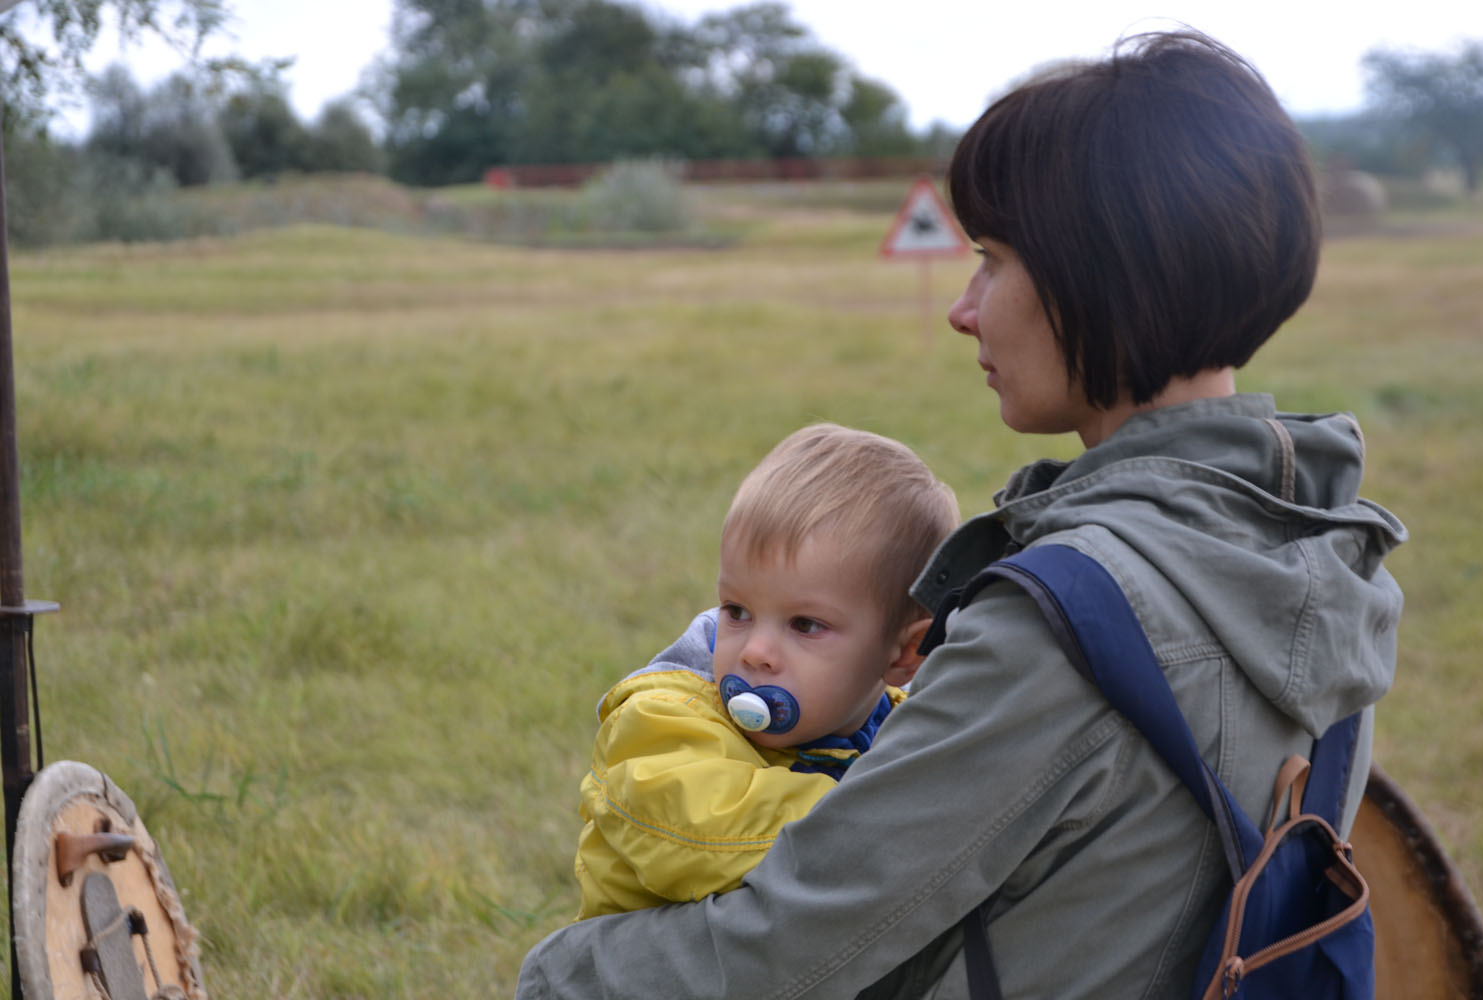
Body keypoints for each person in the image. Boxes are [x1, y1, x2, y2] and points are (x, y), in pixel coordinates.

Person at [518, 30, 1406, 999]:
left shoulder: (1072, 622)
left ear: (1092, 277)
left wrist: (557, 971)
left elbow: (784, 949)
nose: (963, 307)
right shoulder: (1327, 557)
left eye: (992, 260)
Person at [574, 422, 961, 919]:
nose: (755, 650)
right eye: (736, 610)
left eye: (804, 625)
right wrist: (881, 814)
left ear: (903, 654)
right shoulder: (663, 721)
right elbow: (699, 832)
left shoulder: (899, 733)